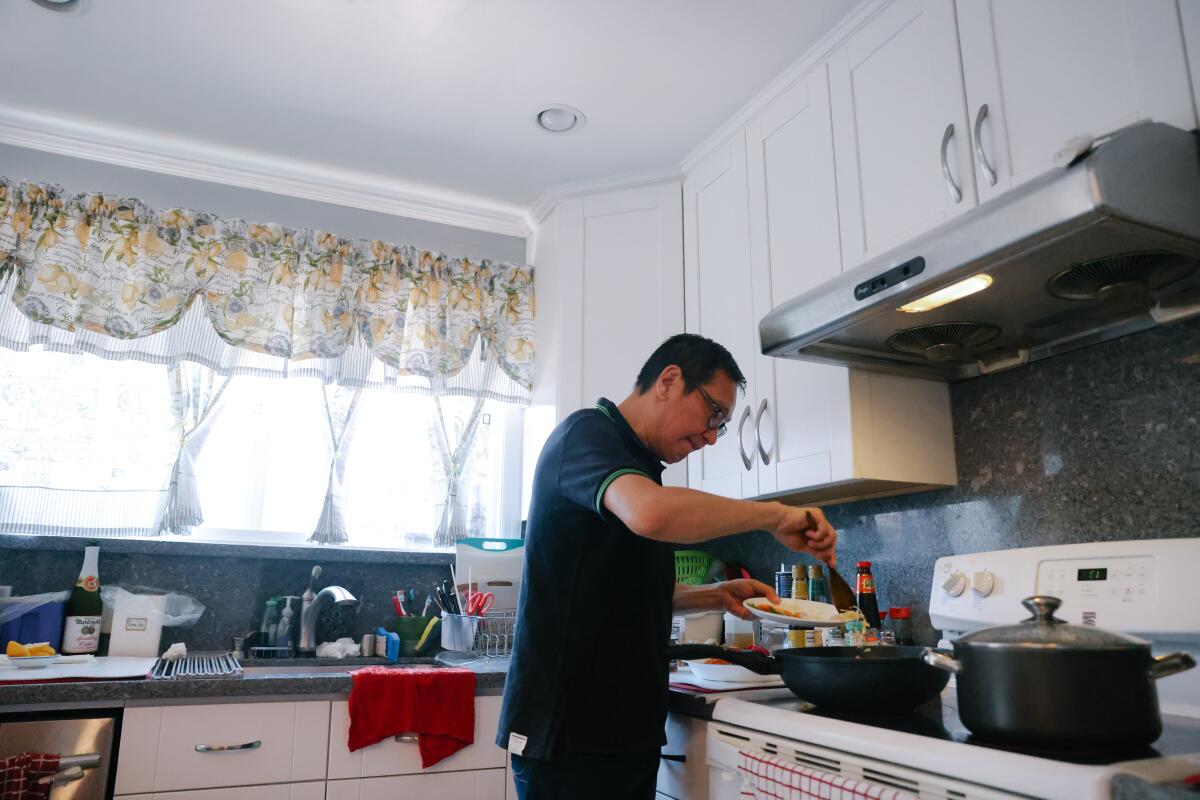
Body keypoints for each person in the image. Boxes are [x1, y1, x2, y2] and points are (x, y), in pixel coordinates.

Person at [496, 333, 838, 799]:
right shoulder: (586, 435)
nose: (713, 436)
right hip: (568, 732)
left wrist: (713, 596)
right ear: (669, 381)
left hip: (621, 732)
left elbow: (614, 591)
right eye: (713, 413)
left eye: (722, 424)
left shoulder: (639, 467)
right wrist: (774, 515)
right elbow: (651, 514)